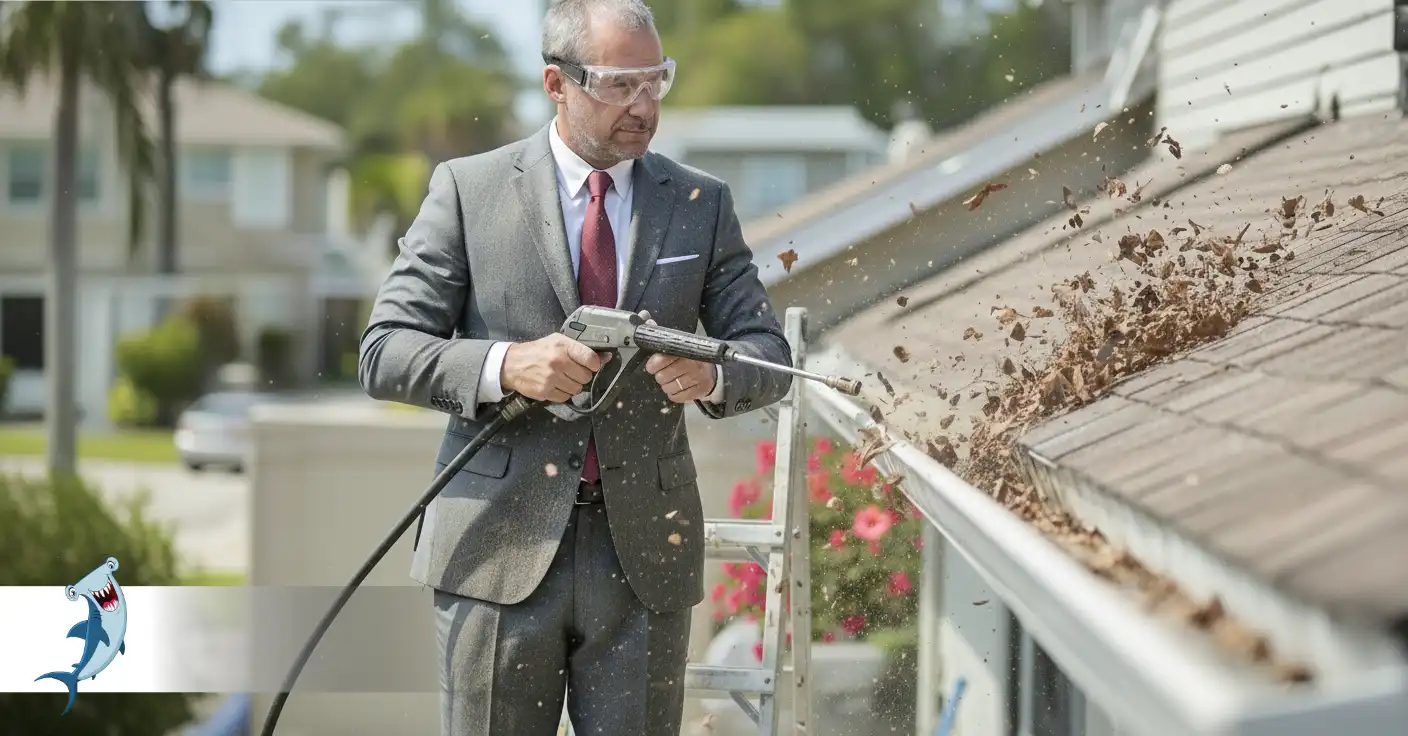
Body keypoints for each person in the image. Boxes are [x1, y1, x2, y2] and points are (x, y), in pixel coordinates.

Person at [356, 0, 792, 733]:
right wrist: (504, 365)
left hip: (645, 557)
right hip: (495, 551)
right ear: (556, 84)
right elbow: (384, 351)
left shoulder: (700, 203)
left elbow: (768, 354)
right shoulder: (468, 190)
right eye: (621, 85)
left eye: (656, 82)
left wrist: (715, 376)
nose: (644, 106)